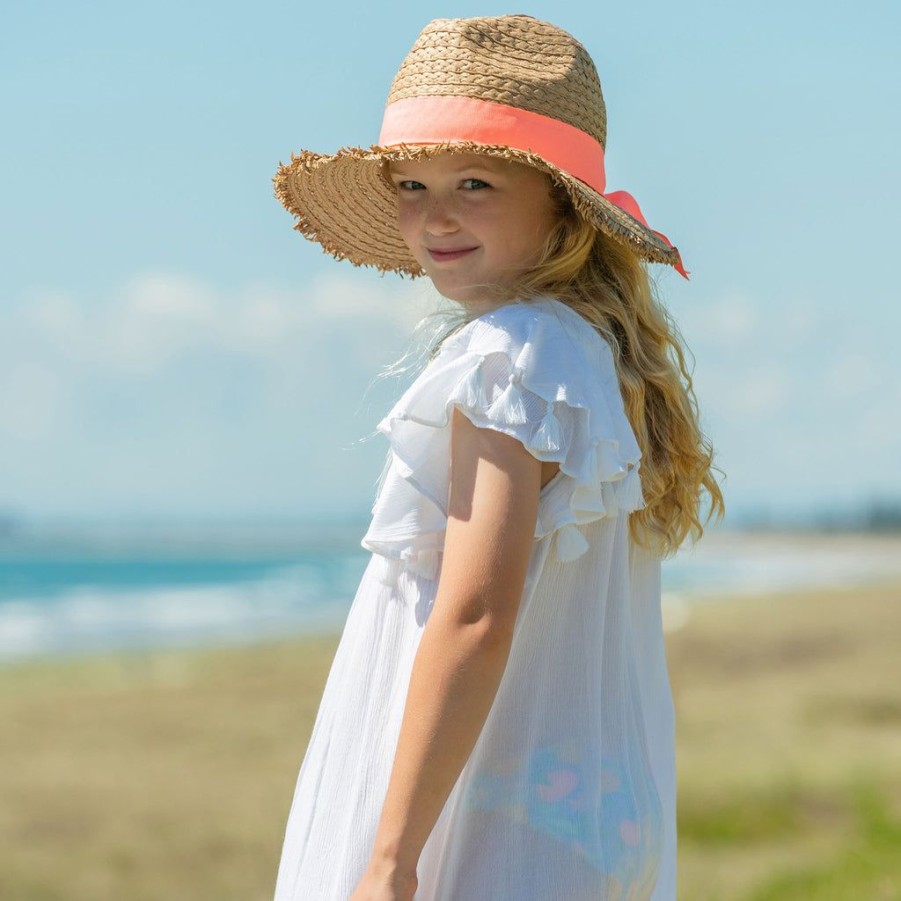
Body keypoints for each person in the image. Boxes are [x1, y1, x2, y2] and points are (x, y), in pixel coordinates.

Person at [270, 14, 723, 901]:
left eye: (473, 182)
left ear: (560, 202)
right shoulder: (590, 353)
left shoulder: (509, 355)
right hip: (579, 802)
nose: (433, 214)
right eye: (411, 184)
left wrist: (390, 859)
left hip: (486, 817)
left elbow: (475, 614)